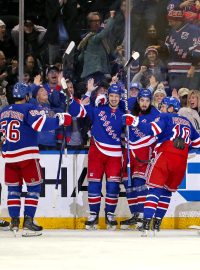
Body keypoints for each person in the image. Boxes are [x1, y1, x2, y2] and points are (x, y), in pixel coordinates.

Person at [0, 82, 72, 236]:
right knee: (33, 188)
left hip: (9, 157)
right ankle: (28, 223)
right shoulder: (29, 108)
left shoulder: (4, 111)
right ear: (27, 96)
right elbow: (41, 124)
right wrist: (60, 120)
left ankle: (14, 223)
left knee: (14, 190)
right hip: (27, 155)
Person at [123, 97, 200, 235]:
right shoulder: (187, 121)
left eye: (163, 106)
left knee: (154, 190)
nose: (161, 108)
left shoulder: (165, 117)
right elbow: (197, 143)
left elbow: (151, 129)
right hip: (181, 162)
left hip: (165, 155)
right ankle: (157, 225)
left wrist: (135, 121)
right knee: (166, 193)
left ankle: (146, 225)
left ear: (171, 108)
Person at [69, 83, 124, 229]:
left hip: (115, 155)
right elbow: (75, 110)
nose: (113, 98)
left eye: (116, 96)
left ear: (120, 97)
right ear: (107, 96)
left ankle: (110, 215)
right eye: (111, 95)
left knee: (113, 187)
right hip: (96, 152)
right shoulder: (98, 110)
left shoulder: (124, 114)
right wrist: (88, 92)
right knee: (94, 184)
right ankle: (93, 215)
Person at [120, 89, 160, 229]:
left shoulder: (155, 113)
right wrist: (122, 91)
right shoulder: (132, 107)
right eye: (142, 100)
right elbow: (122, 101)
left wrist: (134, 121)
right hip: (130, 150)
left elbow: (151, 129)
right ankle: (135, 214)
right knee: (128, 182)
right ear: (138, 100)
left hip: (144, 150)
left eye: (147, 101)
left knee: (139, 181)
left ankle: (143, 215)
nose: (144, 103)